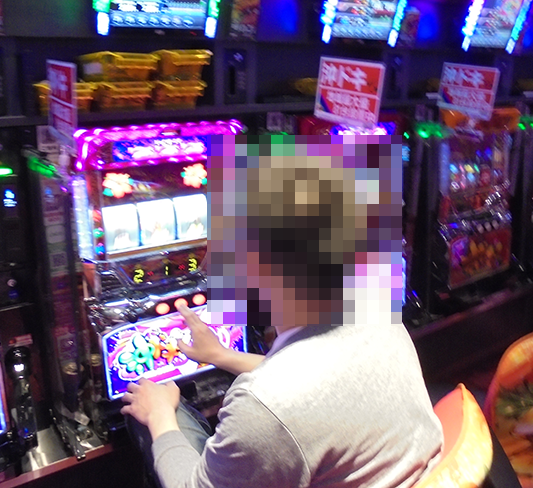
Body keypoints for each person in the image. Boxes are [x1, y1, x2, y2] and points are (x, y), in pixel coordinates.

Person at [121, 141, 443, 488]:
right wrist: (221, 355)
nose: (207, 263)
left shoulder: (261, 406)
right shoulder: (376, 317)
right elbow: (320, 389)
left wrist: (159, 417)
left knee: (150, 408)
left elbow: (278, 405)